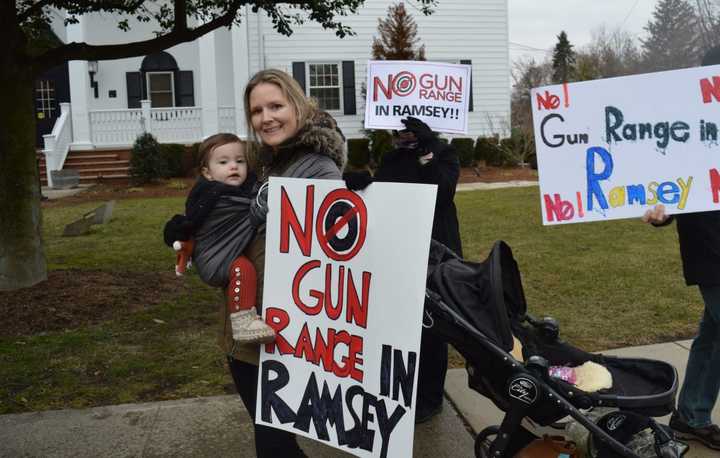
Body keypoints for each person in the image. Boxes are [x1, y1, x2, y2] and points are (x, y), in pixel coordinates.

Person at [227, 69, 346, 458]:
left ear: (297, 105)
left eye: (276, 106)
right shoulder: (266, 163)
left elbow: (334, 250)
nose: (266, 118)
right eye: (257, 110)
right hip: (248, 318)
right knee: (272, 433)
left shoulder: (317, 166)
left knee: (273, 437)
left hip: (284, 325)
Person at [345, 116, 462, 423]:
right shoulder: (392, 157)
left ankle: (429, 398)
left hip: (435, 252)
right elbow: (385, 197)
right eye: (402, 127)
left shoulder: (444, 153)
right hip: (398, 249)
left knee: (432, 327)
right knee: (398, 324)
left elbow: (443, 191)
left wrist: (427, 151)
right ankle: (400, 388)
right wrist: (364, 184)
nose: (406, 132)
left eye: (413, 127)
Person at [642, 46, 720, 451]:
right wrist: (661, 214)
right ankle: (692, 414)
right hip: (712, 251)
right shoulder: (685, 128)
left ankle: (691, 414)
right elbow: (671, 192)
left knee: (713, 335)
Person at [163, 133, 275, 343]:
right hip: (214, 256)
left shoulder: (247, 189)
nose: (233, 166)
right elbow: (192, 222)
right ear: (208, 172)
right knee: (244, 270)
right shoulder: (209, 197)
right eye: (224, 162)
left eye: (239, 161)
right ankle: (243, 324)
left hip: (231, 250)